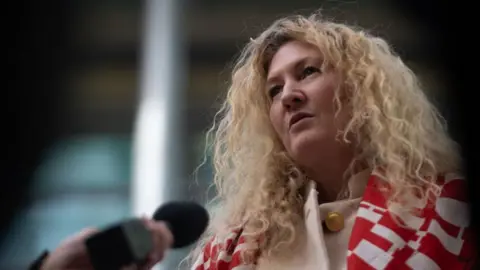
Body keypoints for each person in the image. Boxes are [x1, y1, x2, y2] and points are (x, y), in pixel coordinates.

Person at [189, 12, 477, 270]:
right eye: (274, 90)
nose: (288, 95)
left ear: (361, 89)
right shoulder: (234, 247)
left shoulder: (449, 209)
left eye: (308, 72)